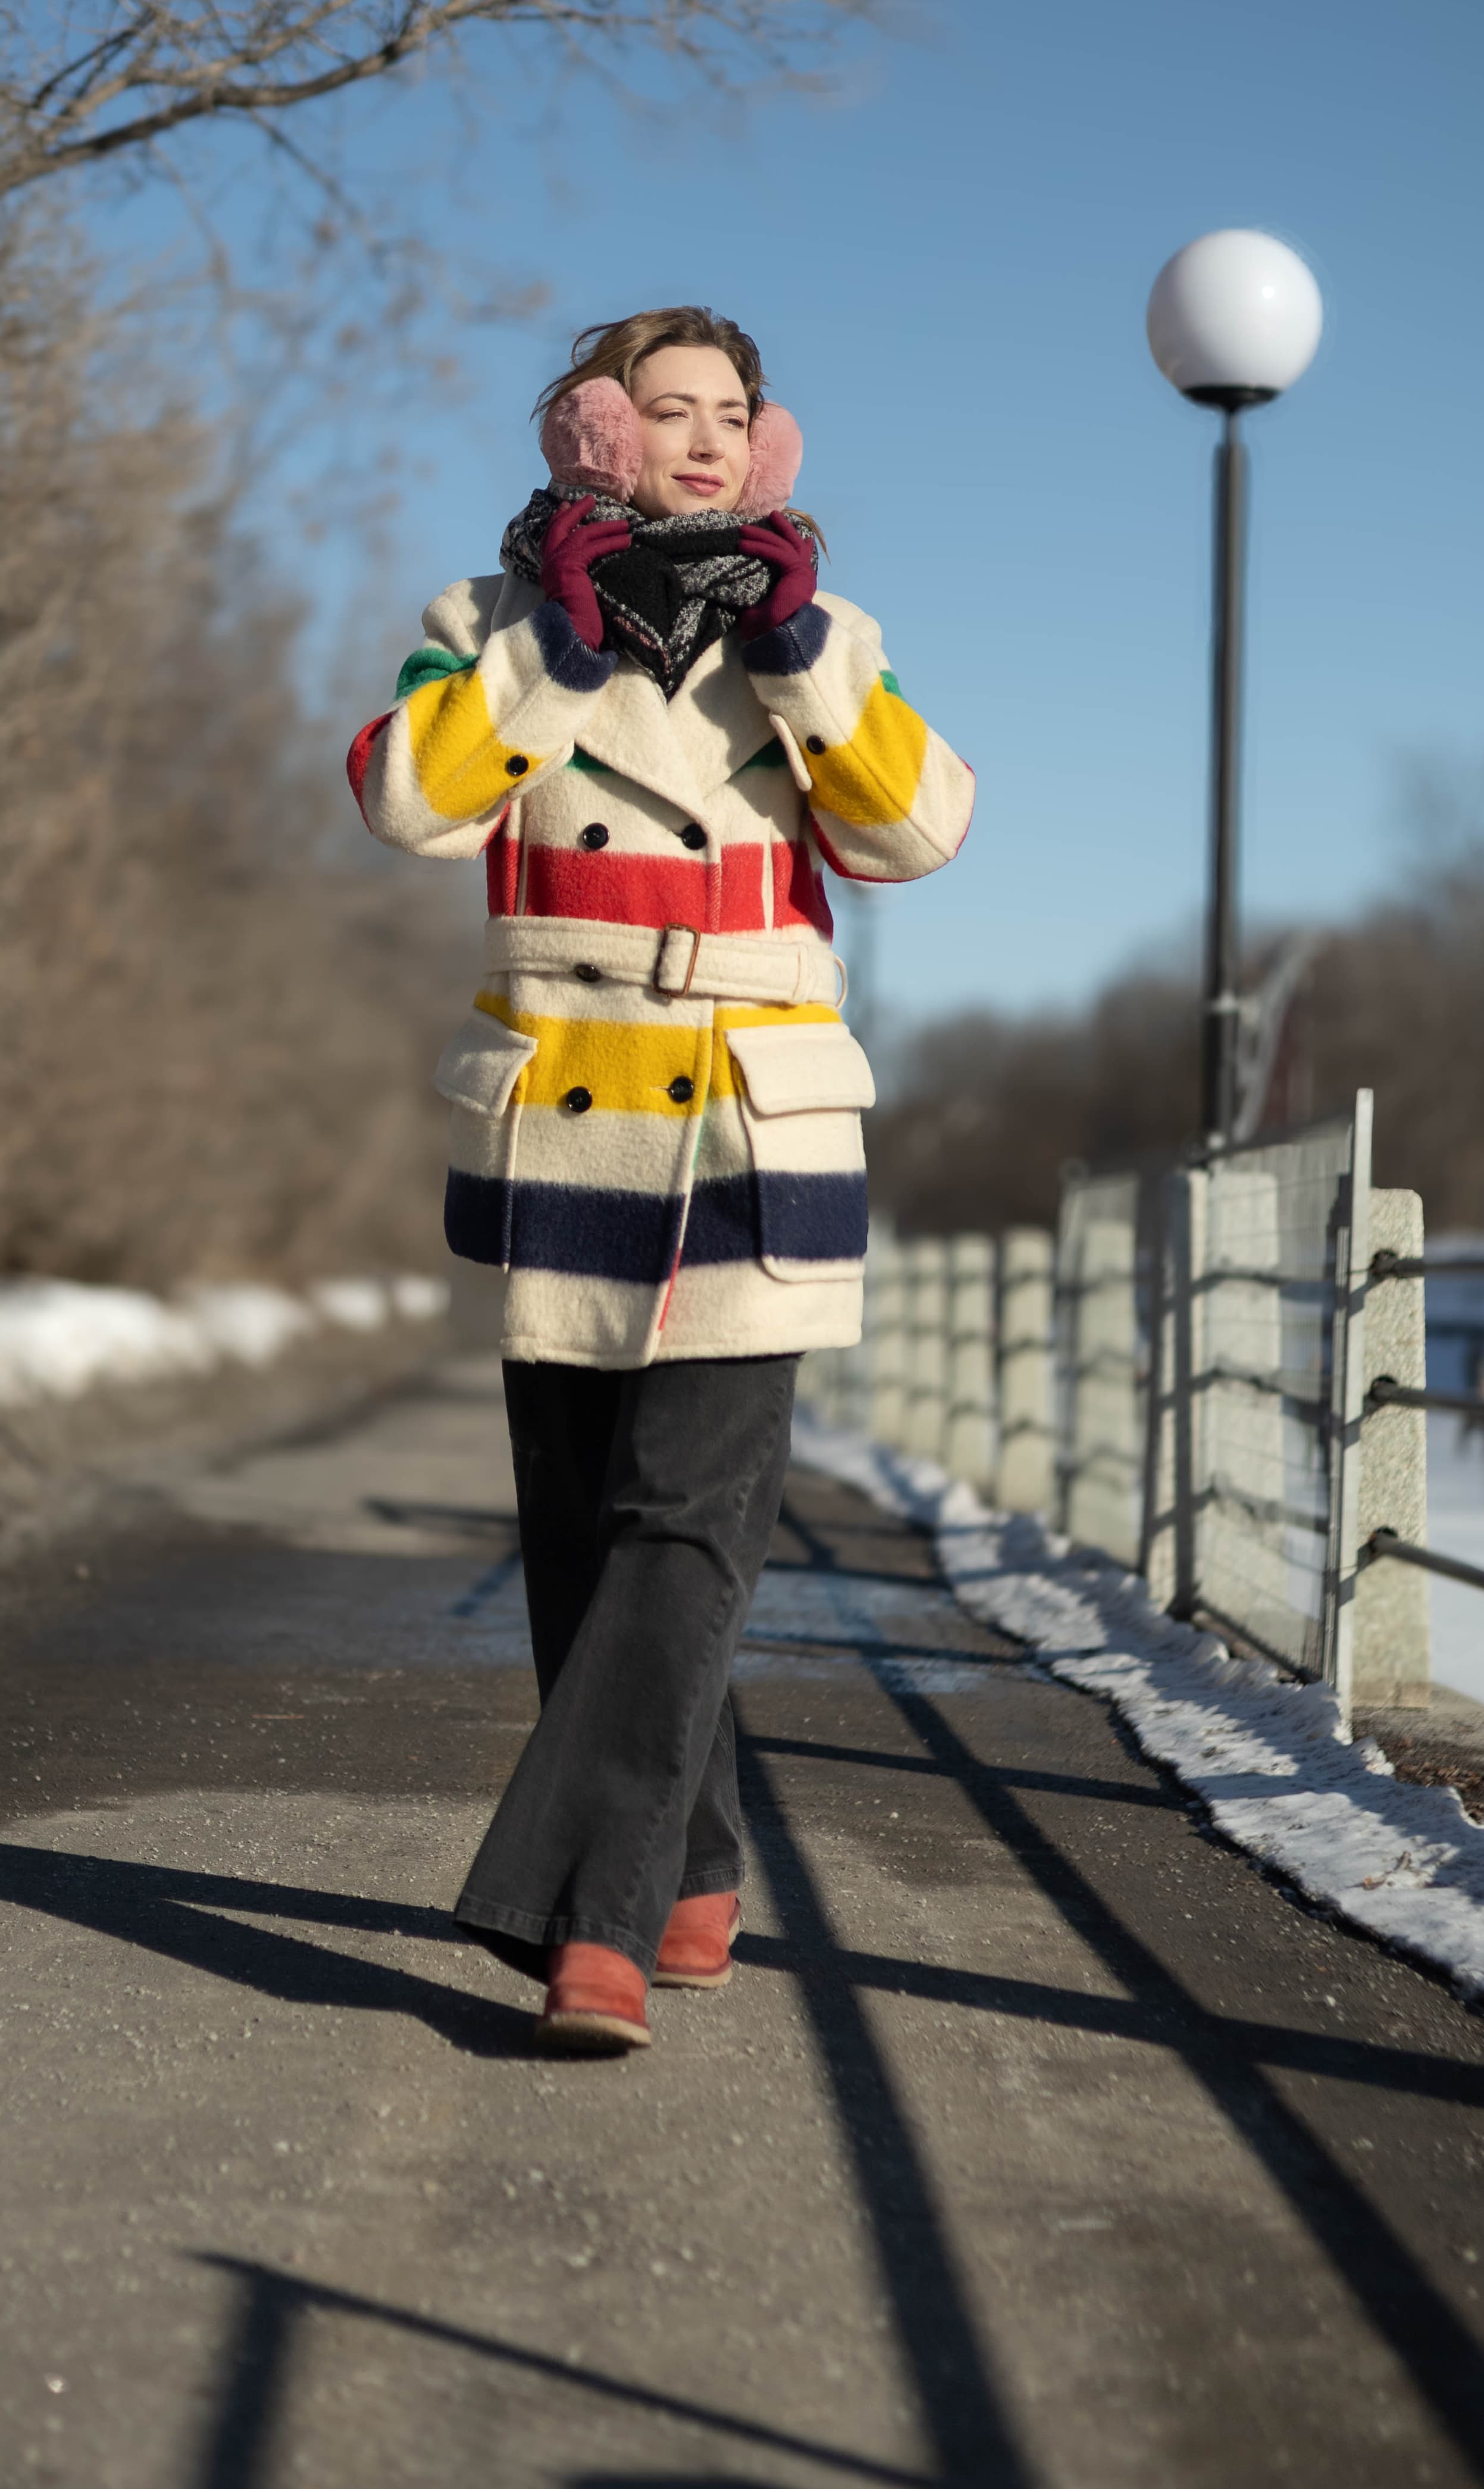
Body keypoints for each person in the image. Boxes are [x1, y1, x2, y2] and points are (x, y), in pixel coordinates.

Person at [346, 307, 973, 2055]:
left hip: (754, 1136)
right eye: (665, 412)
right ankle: (689, 1866)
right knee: (580, 1539)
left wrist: (794, 651)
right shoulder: (485, 628)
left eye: (732, 416)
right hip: (572, 1124)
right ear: (590, 434)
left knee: (687, 1530)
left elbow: (920, 830)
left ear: (768, 449)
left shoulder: (824, 633)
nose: (701, 442)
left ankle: (591, 1924)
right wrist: (556, 642)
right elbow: (407, 802)